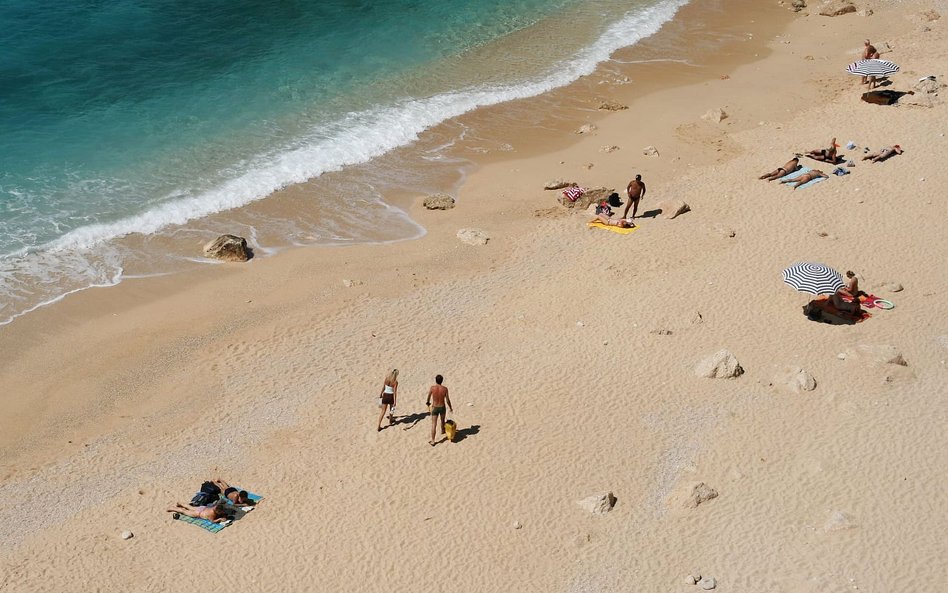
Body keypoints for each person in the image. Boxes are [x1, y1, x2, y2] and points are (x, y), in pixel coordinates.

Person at [426, 374, 453, 446]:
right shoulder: (445, 389)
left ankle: (433, 441)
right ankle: (443, 431)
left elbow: (428, 397)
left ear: (436, 380)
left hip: (435, 407)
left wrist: (428, 403)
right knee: (442, 420)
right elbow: (447, 400)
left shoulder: (432, 388)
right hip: (442, 407)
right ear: (442, 381)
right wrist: (450, 407)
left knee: (434, 424)